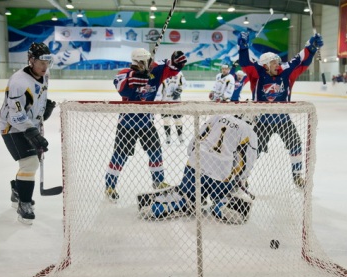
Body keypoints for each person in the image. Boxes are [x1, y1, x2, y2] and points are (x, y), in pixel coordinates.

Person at [237, 31, 323, 188]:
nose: (278, 64)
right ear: (266, 65)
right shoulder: (257, 74)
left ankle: (297, 176)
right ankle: (243, 177)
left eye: (278, 61)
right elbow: (245, 63)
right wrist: (243, 47)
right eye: (274, 62)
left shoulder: (285, 73)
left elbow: (301, 61)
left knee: (296, 145)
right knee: (253, 150)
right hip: (262, 121)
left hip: (283, 120)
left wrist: (311, 48)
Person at [138, 114, 258, 224]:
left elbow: (197, 138)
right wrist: (240, 179)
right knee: (222, 194)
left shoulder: (218, 117)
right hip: (221, 175)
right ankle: (221, 204)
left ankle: (163, 205)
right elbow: (246, 161)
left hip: (196, 164)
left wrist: (192, 155)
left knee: (188, 196)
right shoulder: (249, 132)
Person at [105, 48, 187, 202]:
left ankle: (158, 181)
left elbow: (172, 70)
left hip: (147, 123)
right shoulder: (124, 73)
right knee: (119, 156)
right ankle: (110, 186)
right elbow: (122, 89)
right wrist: (134, 77)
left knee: (156, 152)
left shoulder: (155, 71)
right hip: (127, 124)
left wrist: (176, 63)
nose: (150, 63)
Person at [0, 43, 56, 224]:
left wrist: (43, 111)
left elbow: (39, 97)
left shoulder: (45, 75)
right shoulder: (18, 82)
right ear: (30, 60)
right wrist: (33, 133)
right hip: (11, 126)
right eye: (40, 62)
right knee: (30, 163)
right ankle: (24, 203)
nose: (44, 67)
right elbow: (16, 114)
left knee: (32, 162)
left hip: (30, 124)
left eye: (47, 62)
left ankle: (18, 189)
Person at [155, 71, 187, 144]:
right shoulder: (162, 75)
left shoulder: (179, 74)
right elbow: (159, 90)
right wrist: (158, 101)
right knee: (166, 120)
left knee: (178, 120)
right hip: (165, 101)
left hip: (176, 101)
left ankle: (180, 137)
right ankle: (168, 137)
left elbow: (184, 84)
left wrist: (179, 91)